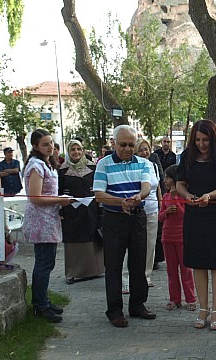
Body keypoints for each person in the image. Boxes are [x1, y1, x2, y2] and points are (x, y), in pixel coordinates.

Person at [93, 125, 156, 328]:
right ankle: (114, 310)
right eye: (123, 145)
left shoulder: (144, 163)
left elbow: (146, 186)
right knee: (113, 266)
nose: (128, 149)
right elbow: (99, 194)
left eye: (131, 144)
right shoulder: (103, 164)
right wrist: (120, 202)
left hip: (138, 217)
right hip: (114, 219)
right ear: (114, 143)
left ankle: (137, 305)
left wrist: (139, 196)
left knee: (139, 263)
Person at [176, 119, 216, 331]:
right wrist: (188, 196)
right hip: (195, 214)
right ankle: (203, 307)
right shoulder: (186, 157)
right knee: (198, 261)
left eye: (206, 140)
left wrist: (209, 196)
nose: (201, 144)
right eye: (198, 140)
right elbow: (180, 183)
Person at [22, 129, 74, 323]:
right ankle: (40, 306)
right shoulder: (36, 165)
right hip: (40, 220)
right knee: (44, 264)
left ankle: (42, 300)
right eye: (45, 144)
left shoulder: (47, 163)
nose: (50, 146)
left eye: (51, 143)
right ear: (35, 146)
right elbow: (35, 197)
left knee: (47, 263)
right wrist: (59, 200)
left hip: (49, 218)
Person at [58, 139, 104, 285]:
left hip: (91, 208)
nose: (76, 152)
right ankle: (72, 273)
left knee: (93, 237)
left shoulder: (93, 167)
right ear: (68, 151)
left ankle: (95, 270)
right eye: (73, 149)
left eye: (79, 149)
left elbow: (99, 186)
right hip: (71, 210)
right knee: (73, 239)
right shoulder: (62, 170)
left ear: (83, 150)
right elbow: (58, 191)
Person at [121, 138, 160, 293]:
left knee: (150, 246)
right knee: (129, 247)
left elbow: (158, 187)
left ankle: (146, 276)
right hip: (136, 210)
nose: (145, 153)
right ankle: (125, 279)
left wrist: (161, 204)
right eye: (141, 150)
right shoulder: (132, 166)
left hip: (153, 209)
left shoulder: (154, 166)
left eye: (147, 149)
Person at [159, 164, 196, 311]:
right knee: (171, 270)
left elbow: (184, 216)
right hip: (167, 238)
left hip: (181, 238)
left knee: (186, 270)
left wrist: (176, 201)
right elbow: (160, 217)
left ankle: (191, 298)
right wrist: (167, 211)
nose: (165, 180)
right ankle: (175, 299)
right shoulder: (165, 197)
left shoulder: (184, 196)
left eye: (167, 177)